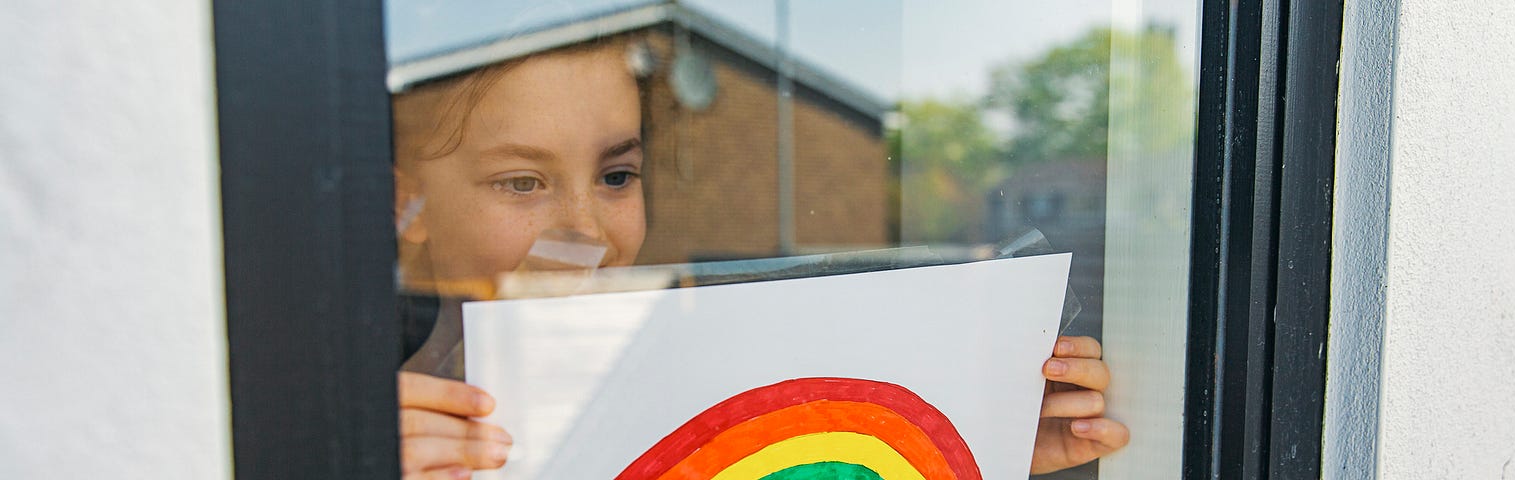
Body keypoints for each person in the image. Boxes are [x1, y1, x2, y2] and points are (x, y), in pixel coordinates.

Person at [389, 36, 1127, 480]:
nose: (586, 230)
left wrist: (982, 445)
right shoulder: (364, 427)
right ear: (404, 207)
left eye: (617, 176)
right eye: (522, 182)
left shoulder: (708, 379)